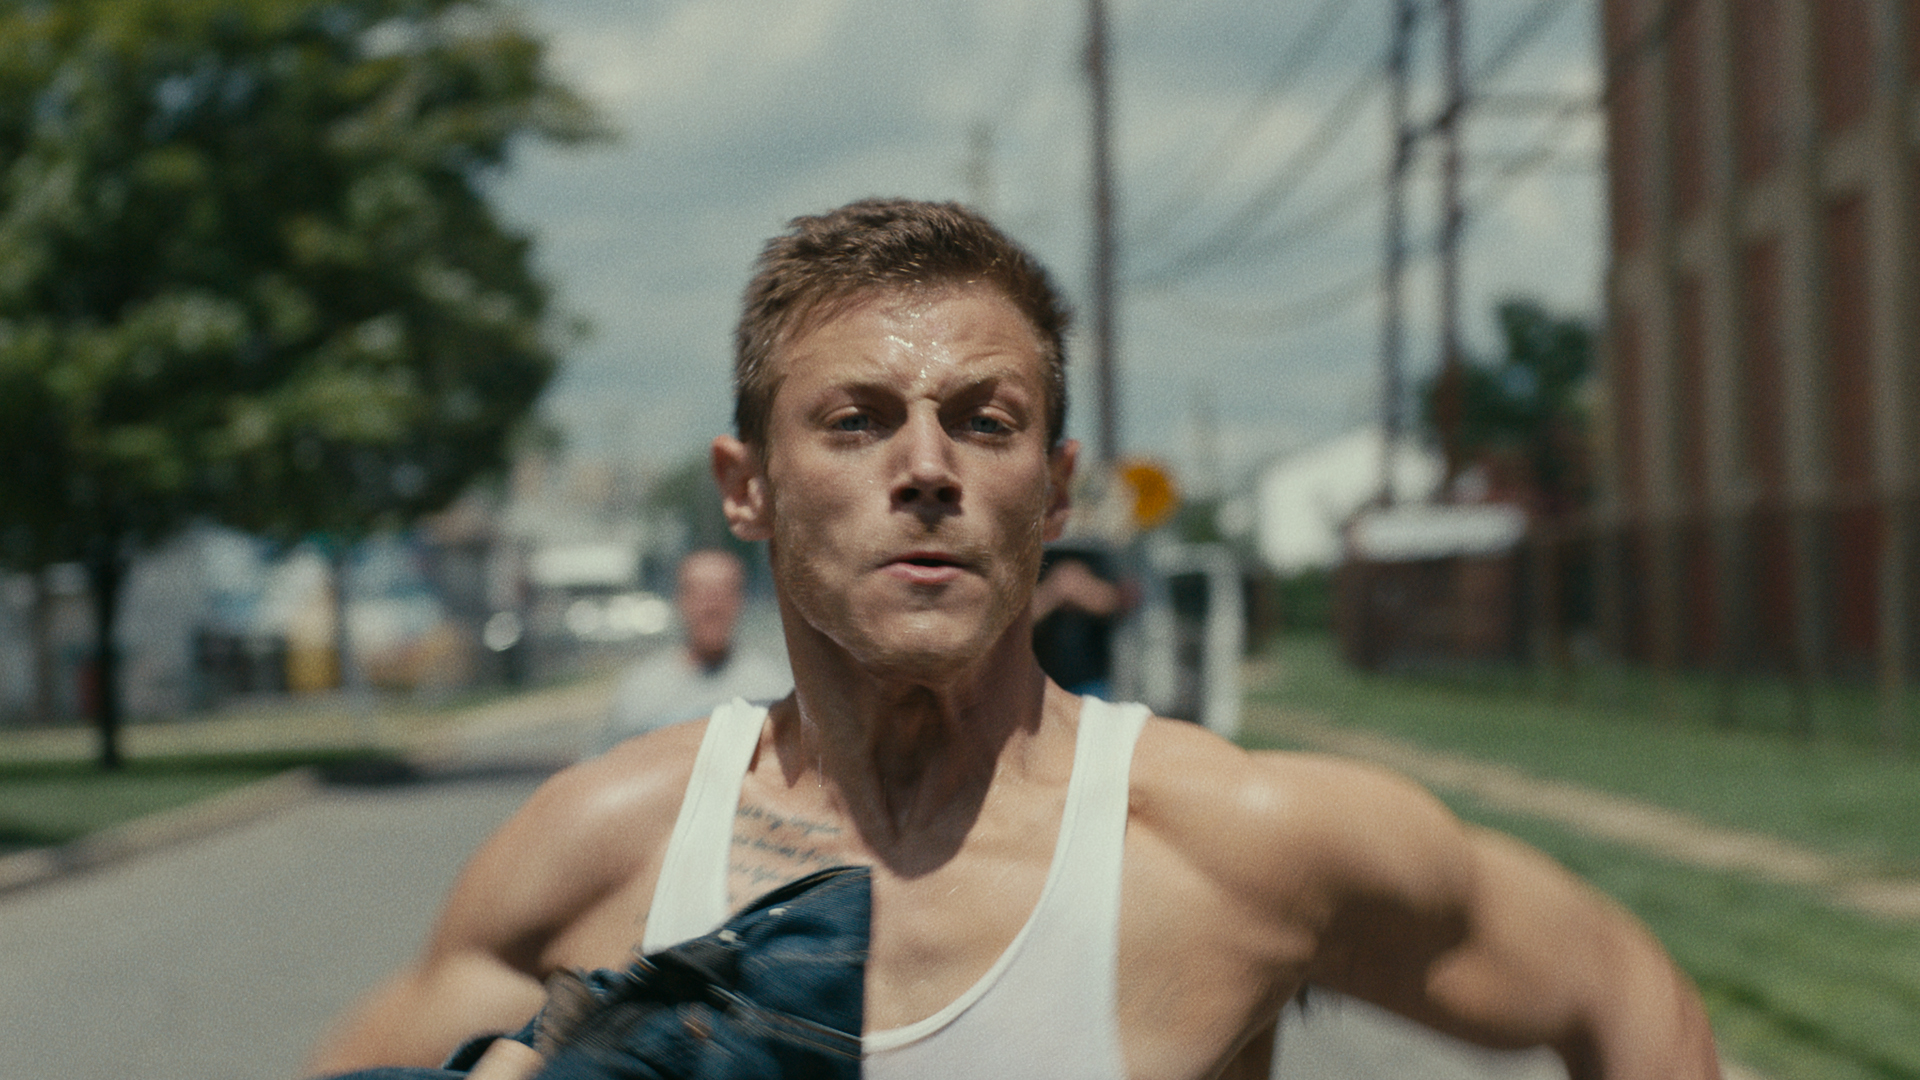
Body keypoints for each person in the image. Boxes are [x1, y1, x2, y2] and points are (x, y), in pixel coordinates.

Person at [305, 198, 1720, 1080]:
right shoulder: (604, 853)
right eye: (856, 421)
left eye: (985, 422)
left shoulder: (1231, 844)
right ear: (748, 489)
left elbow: (1618, 991)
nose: (927, 467)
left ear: (1053, 490)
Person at [589, 548, 790, 757]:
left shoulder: (776, 691)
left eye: (724, 592)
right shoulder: (640, 692)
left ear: (742, 599)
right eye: (699, 592)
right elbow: (601, 769)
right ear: (678, 599)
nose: (712, 607)